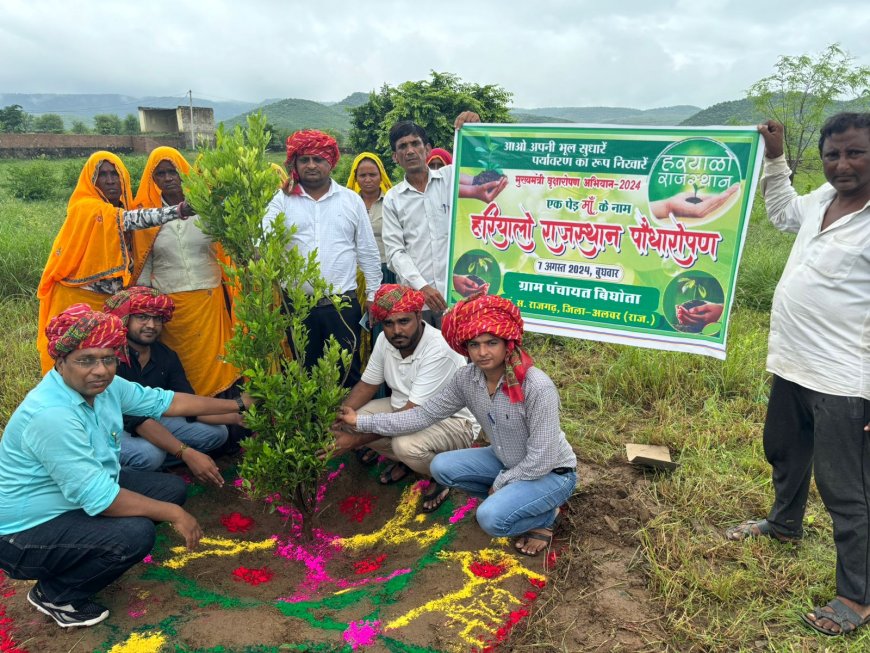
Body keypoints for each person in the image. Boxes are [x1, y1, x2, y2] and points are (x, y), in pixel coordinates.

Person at [0, 305, 253, 628]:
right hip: (21, 534)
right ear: (60, 362)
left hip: (66, 500)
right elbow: (101, 499)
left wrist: (237, 404)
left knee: (170, 488)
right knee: (135, 533)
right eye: (86, 360)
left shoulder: (106, 388)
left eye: (108, 359)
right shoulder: (53, 415)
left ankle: (85, 556)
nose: (100, 370)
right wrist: (174, 515)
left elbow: (169, 402)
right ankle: (57, 593)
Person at [725, 114, 870, 636]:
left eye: (855, 153)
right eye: (833, 155)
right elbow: (784, 211)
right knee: (785, 450)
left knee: (846, 490)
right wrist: (776, 156)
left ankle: (856, 596)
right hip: (793, 364)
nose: (842, 164)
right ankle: (784, 525)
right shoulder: (820, 203)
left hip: (848, 381)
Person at [337, 294, 576, 556]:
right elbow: (422, 415)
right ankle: (518, 500)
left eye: (491, 343)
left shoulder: (536, 386)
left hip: (552, 473)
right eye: (474, 344)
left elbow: (542, 460)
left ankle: (545, 517)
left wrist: (502, 482)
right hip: (505, 459)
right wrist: (360, 421)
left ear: (508, 343)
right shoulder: (468, 378)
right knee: (442, 467)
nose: (482, 353)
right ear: (465, 347)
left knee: (490, 519)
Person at [37, 151, 195, 374]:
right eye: (102, 175)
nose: (110, 181)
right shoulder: (87, 207)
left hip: (109, 303)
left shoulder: (121, 207)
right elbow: (130, 221)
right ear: (91, 181)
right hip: (77, 298)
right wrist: (177, 210)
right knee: (73, 360)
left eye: (115, 174)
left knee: (103, 362)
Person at [329, 284, 476, 511]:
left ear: (418, 316)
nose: (396, 330)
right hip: (405, 411)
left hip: (453, 422)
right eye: (389, 323)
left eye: (403, 321)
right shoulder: (384, 341)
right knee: (353, 420)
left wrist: (354, 442)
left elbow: (411, 416)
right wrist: (335, 421)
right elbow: (368, 385)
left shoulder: (439, 348)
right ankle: (410, 463)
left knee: (404, 445)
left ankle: (444, 474)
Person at [263, 130, 382, 387]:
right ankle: (312, 427)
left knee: (347, 371)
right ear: (294, 164)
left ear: (331, 162)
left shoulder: (350, 200)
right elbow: (260, 242)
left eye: (318, 159)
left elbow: (368, 251)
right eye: (304, 159)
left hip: (343, 306)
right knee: (302, 374)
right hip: (297, 307)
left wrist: (373, 295)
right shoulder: (282, 200)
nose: (311, 165)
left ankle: (345, 427)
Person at [104, 287, 241, 485]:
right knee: (150, 454)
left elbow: (187, 404)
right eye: (142, 317)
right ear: (125, 319)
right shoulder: (111, 358)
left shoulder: (165, 355)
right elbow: (135, 419)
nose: (151, 325)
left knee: (218, 433)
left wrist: (237, 417)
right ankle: (117, 477)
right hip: (113, 426)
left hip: (154, 419)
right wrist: (186, 453)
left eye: (157, 319)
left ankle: (159, 463)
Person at [132, 146, 239, 397]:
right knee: (180, 363)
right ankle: (188, 413)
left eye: (174, 171)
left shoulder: (209, 208)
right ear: (153, 179)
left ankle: (222, 415)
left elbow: (230, 250)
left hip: (209, 302)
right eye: (161, 173)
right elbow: (144, 261)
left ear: (184, 174)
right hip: (170, 307)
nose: (168, 177)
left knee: (217, 360)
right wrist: (146, 305)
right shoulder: (146, 214)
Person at [382, 115, 507, 326]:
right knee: (424, 357)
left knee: (461, 356)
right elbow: (395, 252)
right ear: (395, 156)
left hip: (459, 297)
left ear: (428, 149)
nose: (410, 150)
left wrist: (474, 128)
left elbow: (482, 169)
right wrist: (423, 287)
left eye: (415, 143)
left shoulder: (450, 177)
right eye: (403, 146)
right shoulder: (393, 199)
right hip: (417, 301)